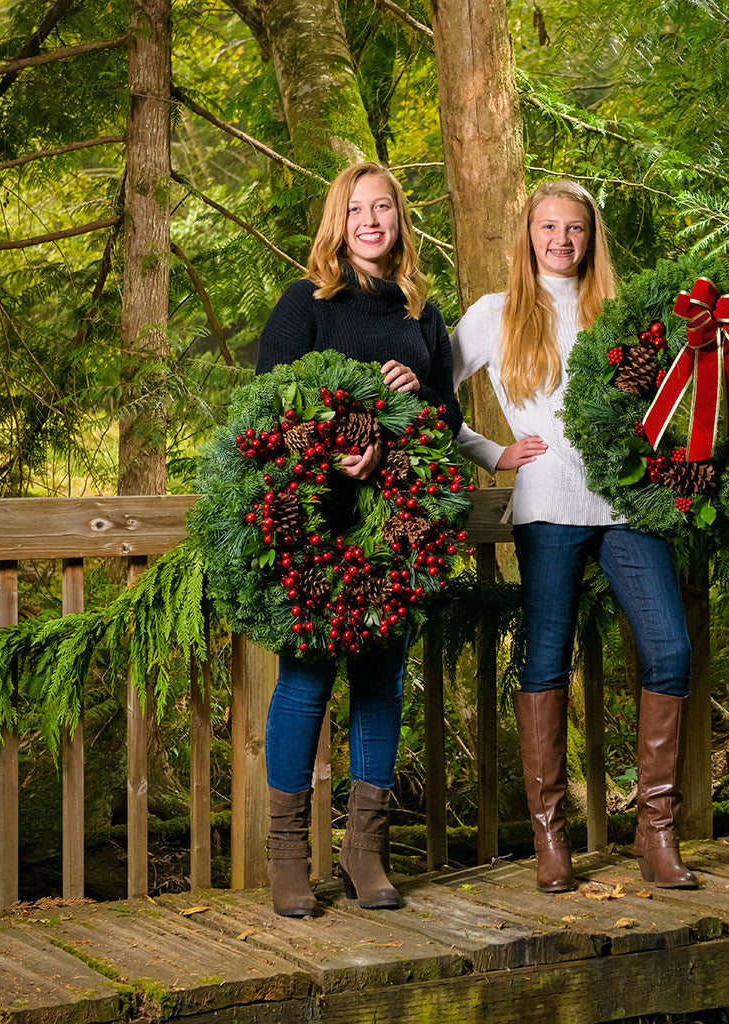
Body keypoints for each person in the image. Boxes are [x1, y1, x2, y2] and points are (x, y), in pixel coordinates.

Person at [450, 180, 697, 893]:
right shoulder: (495, 315)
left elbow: (663, 400)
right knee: (547, 661)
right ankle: (551, 840)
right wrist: (490, 452)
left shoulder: (616, 313)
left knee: (671, 651)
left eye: (575, 230)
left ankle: (656, 835)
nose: (561, 240)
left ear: (592, 239)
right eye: (549, 227)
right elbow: (429, 391)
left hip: (629, 508)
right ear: (528, 235)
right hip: (548, 508)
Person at [255, 161, 462, 916]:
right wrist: (331, 446)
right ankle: (287, 857)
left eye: (384, 208)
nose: (372, 221)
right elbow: (266, 408)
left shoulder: (421, 313)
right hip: (318, 523)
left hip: (395, 528)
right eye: (357, 209)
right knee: (305, 680)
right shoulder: (306, 303)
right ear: (338, 222)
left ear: (400, 221)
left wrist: (418, 401)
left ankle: (363, 852)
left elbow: (446, 420)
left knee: (380, 682)